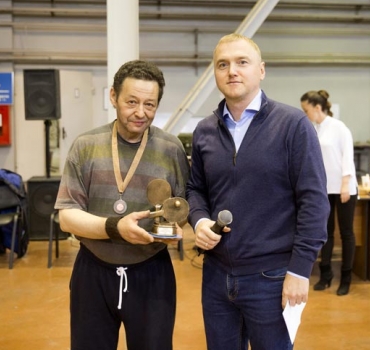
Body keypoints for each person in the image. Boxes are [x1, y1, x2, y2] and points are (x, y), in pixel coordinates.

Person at [187, 34, 330, 350]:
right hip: (216, 276)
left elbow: (314, 201)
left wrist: (300, 271)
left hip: (272, 277)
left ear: (261, 70)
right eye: (222, 64)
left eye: (242, 62)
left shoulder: (293, 125)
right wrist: (199, 221)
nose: (232, 71)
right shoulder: (205, 130)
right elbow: (195, 189)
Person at [55, 60, 191, 350]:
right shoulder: (86, 146)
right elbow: (67, 217)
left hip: (152, 273)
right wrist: (115, 227)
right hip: (93, 273)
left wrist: (177, 226)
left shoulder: (171, 149)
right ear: (113, 96)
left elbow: (180, 209)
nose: (140, 112)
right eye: (131, 102)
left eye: (149, 104)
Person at [300, 90, 357, 296]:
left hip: (344, 188)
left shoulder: (339, 127)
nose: (304, 114)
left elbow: (348, 157)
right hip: (323, 189)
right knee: (325, 233)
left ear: (317, 108)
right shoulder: (314, 129)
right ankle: (326, 275)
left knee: (346, 233)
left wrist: (345, 184)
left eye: (306, 110)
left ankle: (346, 278)